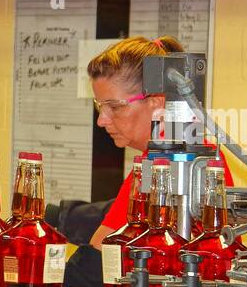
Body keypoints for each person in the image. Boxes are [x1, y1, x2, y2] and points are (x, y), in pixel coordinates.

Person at [86, 35, 233, 251]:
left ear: (156, 104)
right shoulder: (157, 157)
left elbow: (101, 246)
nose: (101, 120)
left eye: (114, 107)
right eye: (100, 107)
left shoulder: (167, 163)